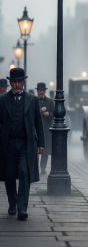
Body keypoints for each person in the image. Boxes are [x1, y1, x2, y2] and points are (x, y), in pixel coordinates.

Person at [0, 68, 45, 220]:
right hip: (8, 143)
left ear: (24, 82)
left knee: (25, 173)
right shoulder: (2, 100)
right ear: (10, 83)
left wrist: (42, 142)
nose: (17, 84)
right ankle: (12, 203)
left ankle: (22, 208)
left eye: (20, 81)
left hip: (27, 143)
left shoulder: (32, 100)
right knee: (10, 174)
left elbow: (39, 123)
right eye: (14, 82)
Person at [36, 82, 54, 175]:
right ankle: (35, 168)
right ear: (37, 91)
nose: (41, 92)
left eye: (43, 90)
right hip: (35, 129)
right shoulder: (33, 100)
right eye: (40, 90)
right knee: (35, 150)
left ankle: (43, 168)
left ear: (45, 91)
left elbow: (54, 114)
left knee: (45, 151)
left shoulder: (50, 102)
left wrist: (49, 114)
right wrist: (40, 111)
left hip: (46, 129)